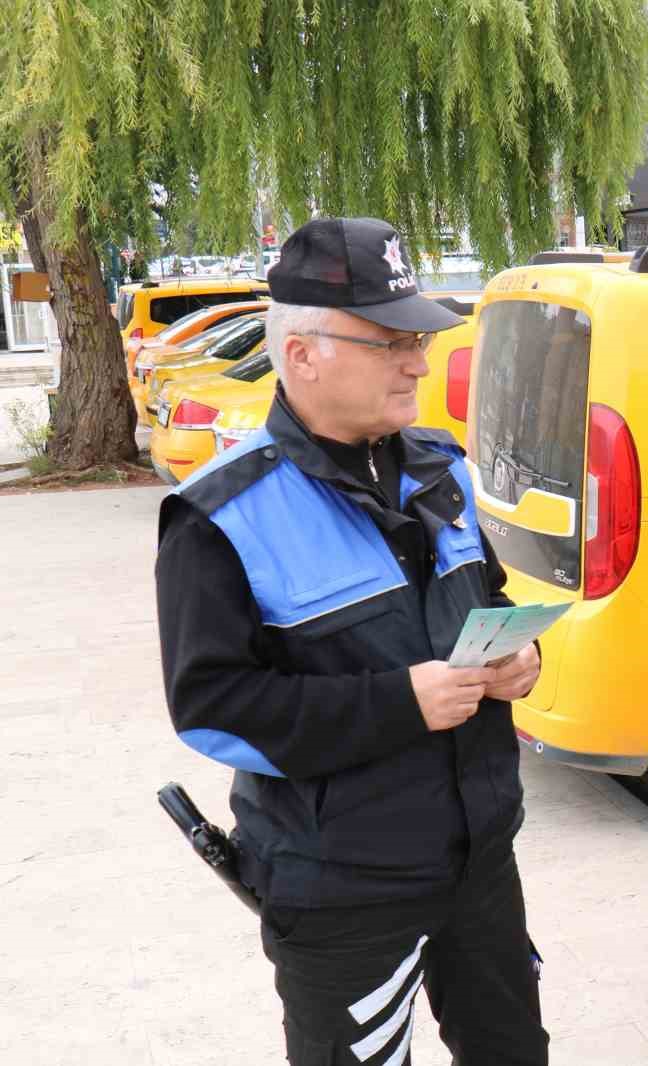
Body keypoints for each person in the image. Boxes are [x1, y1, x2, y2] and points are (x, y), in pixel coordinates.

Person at [155, 217, 550, 1066]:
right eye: (389, 341)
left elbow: (491, 599)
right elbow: (213, 710)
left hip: (481, 862)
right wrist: (402, 701)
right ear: (302, 353)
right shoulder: (219, 516)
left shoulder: (439, 469)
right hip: (341, 888)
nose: (418, 360)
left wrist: (521, 659)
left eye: (419, 339)